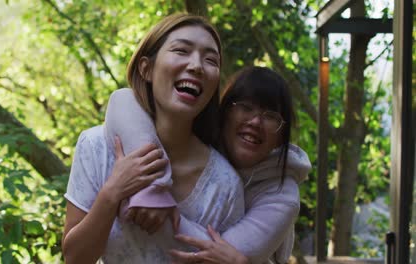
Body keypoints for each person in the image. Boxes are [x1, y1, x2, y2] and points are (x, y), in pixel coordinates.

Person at [62, 13, 245, 264]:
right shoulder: (96, 146)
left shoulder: (225, 184)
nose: (196, 65)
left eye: (210, 59)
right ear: (146, 68)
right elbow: (74, 258)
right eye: (181, 51)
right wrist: (113, 191)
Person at [106, 66, 311, 263]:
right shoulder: (196, 138)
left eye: (271, 117)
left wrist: (157, 203)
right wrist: (152, 188)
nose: (255, 122)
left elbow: (211, 257)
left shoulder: (282, 195)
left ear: (281, 136)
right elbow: (122, 99)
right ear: (224, 113)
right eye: (245, 107)